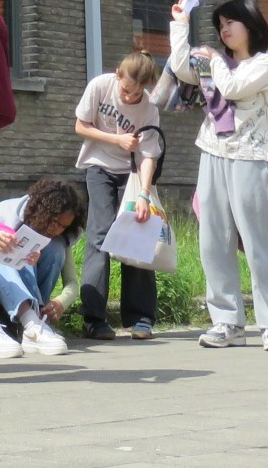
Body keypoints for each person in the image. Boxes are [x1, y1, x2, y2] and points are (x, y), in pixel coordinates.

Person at [169, 0, 268, 352]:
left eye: (230, 22)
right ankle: (226, 321)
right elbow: (179, 67)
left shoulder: (264, 63)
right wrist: (180, 22)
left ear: (250, 25)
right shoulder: (216, 63)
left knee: (258, 242)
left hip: (252, 156)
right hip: (213, 152)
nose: (224, 29)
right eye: (220, 24)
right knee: (213, 240)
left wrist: (212, 62)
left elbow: (234, 88)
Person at [72, 51, 164, 340]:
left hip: (133, 173)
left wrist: (144, 195)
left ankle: (140, 317)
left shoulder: (149, 109)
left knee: (136, 235)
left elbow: (149, 154)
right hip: (99, 166)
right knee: (100, 235)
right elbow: (80, 126)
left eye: (136, 93)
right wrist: (117, 139)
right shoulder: (100, 86)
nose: (128, 97)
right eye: (125, 90)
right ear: (117, 75)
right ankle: (93, 318)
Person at [0, 177, 83, 359]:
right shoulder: (4, 215)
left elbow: (72, 282)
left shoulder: (58, 237)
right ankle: (21, 321)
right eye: (55, 223)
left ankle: (35, 322)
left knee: (54, 249)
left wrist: (60, 303)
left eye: (64, 227)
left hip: (29, 297)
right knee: (6, 249)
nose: (57, 230)